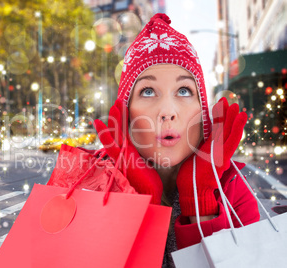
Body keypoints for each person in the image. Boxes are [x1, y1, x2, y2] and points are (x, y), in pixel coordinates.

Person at [49, 13, 260, 267]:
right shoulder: (86, 186)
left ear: (202, 111)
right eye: (148, 91)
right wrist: (138, 202)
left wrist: (201, 199)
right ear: (126, 113)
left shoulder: (234, 192)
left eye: (184, 91)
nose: (167, 110)